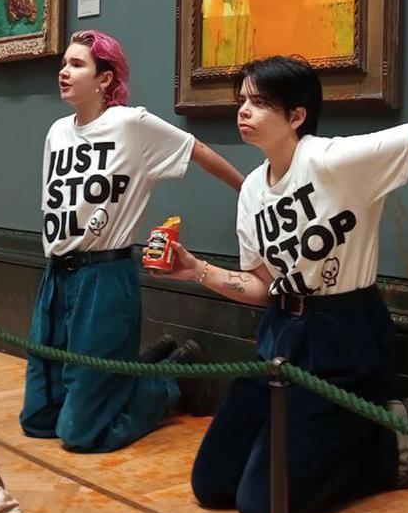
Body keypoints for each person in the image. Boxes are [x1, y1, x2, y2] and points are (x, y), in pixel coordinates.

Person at [169, 55, 408, 513]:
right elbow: (261, 285)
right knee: (211, 486)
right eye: (242, 101)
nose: (243, 111)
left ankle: (386, 437)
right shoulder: (253, 189)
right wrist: (197, 270)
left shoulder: (333, 160)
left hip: (343, 339)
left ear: (296, 116)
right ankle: (311, 441)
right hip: (280, 338)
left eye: (258, 102)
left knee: (261, 508)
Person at [19, 30, 243, 452]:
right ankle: (138, 369)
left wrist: (249, 191)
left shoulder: (130, 124)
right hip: (56, 276)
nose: (64, 72)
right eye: (64, 64)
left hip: (103, 277)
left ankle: (173, 381)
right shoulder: (56, 133)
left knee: (82, 436)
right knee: (38, 422)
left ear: (105, 78)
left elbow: (196, 150)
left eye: (77, 64)